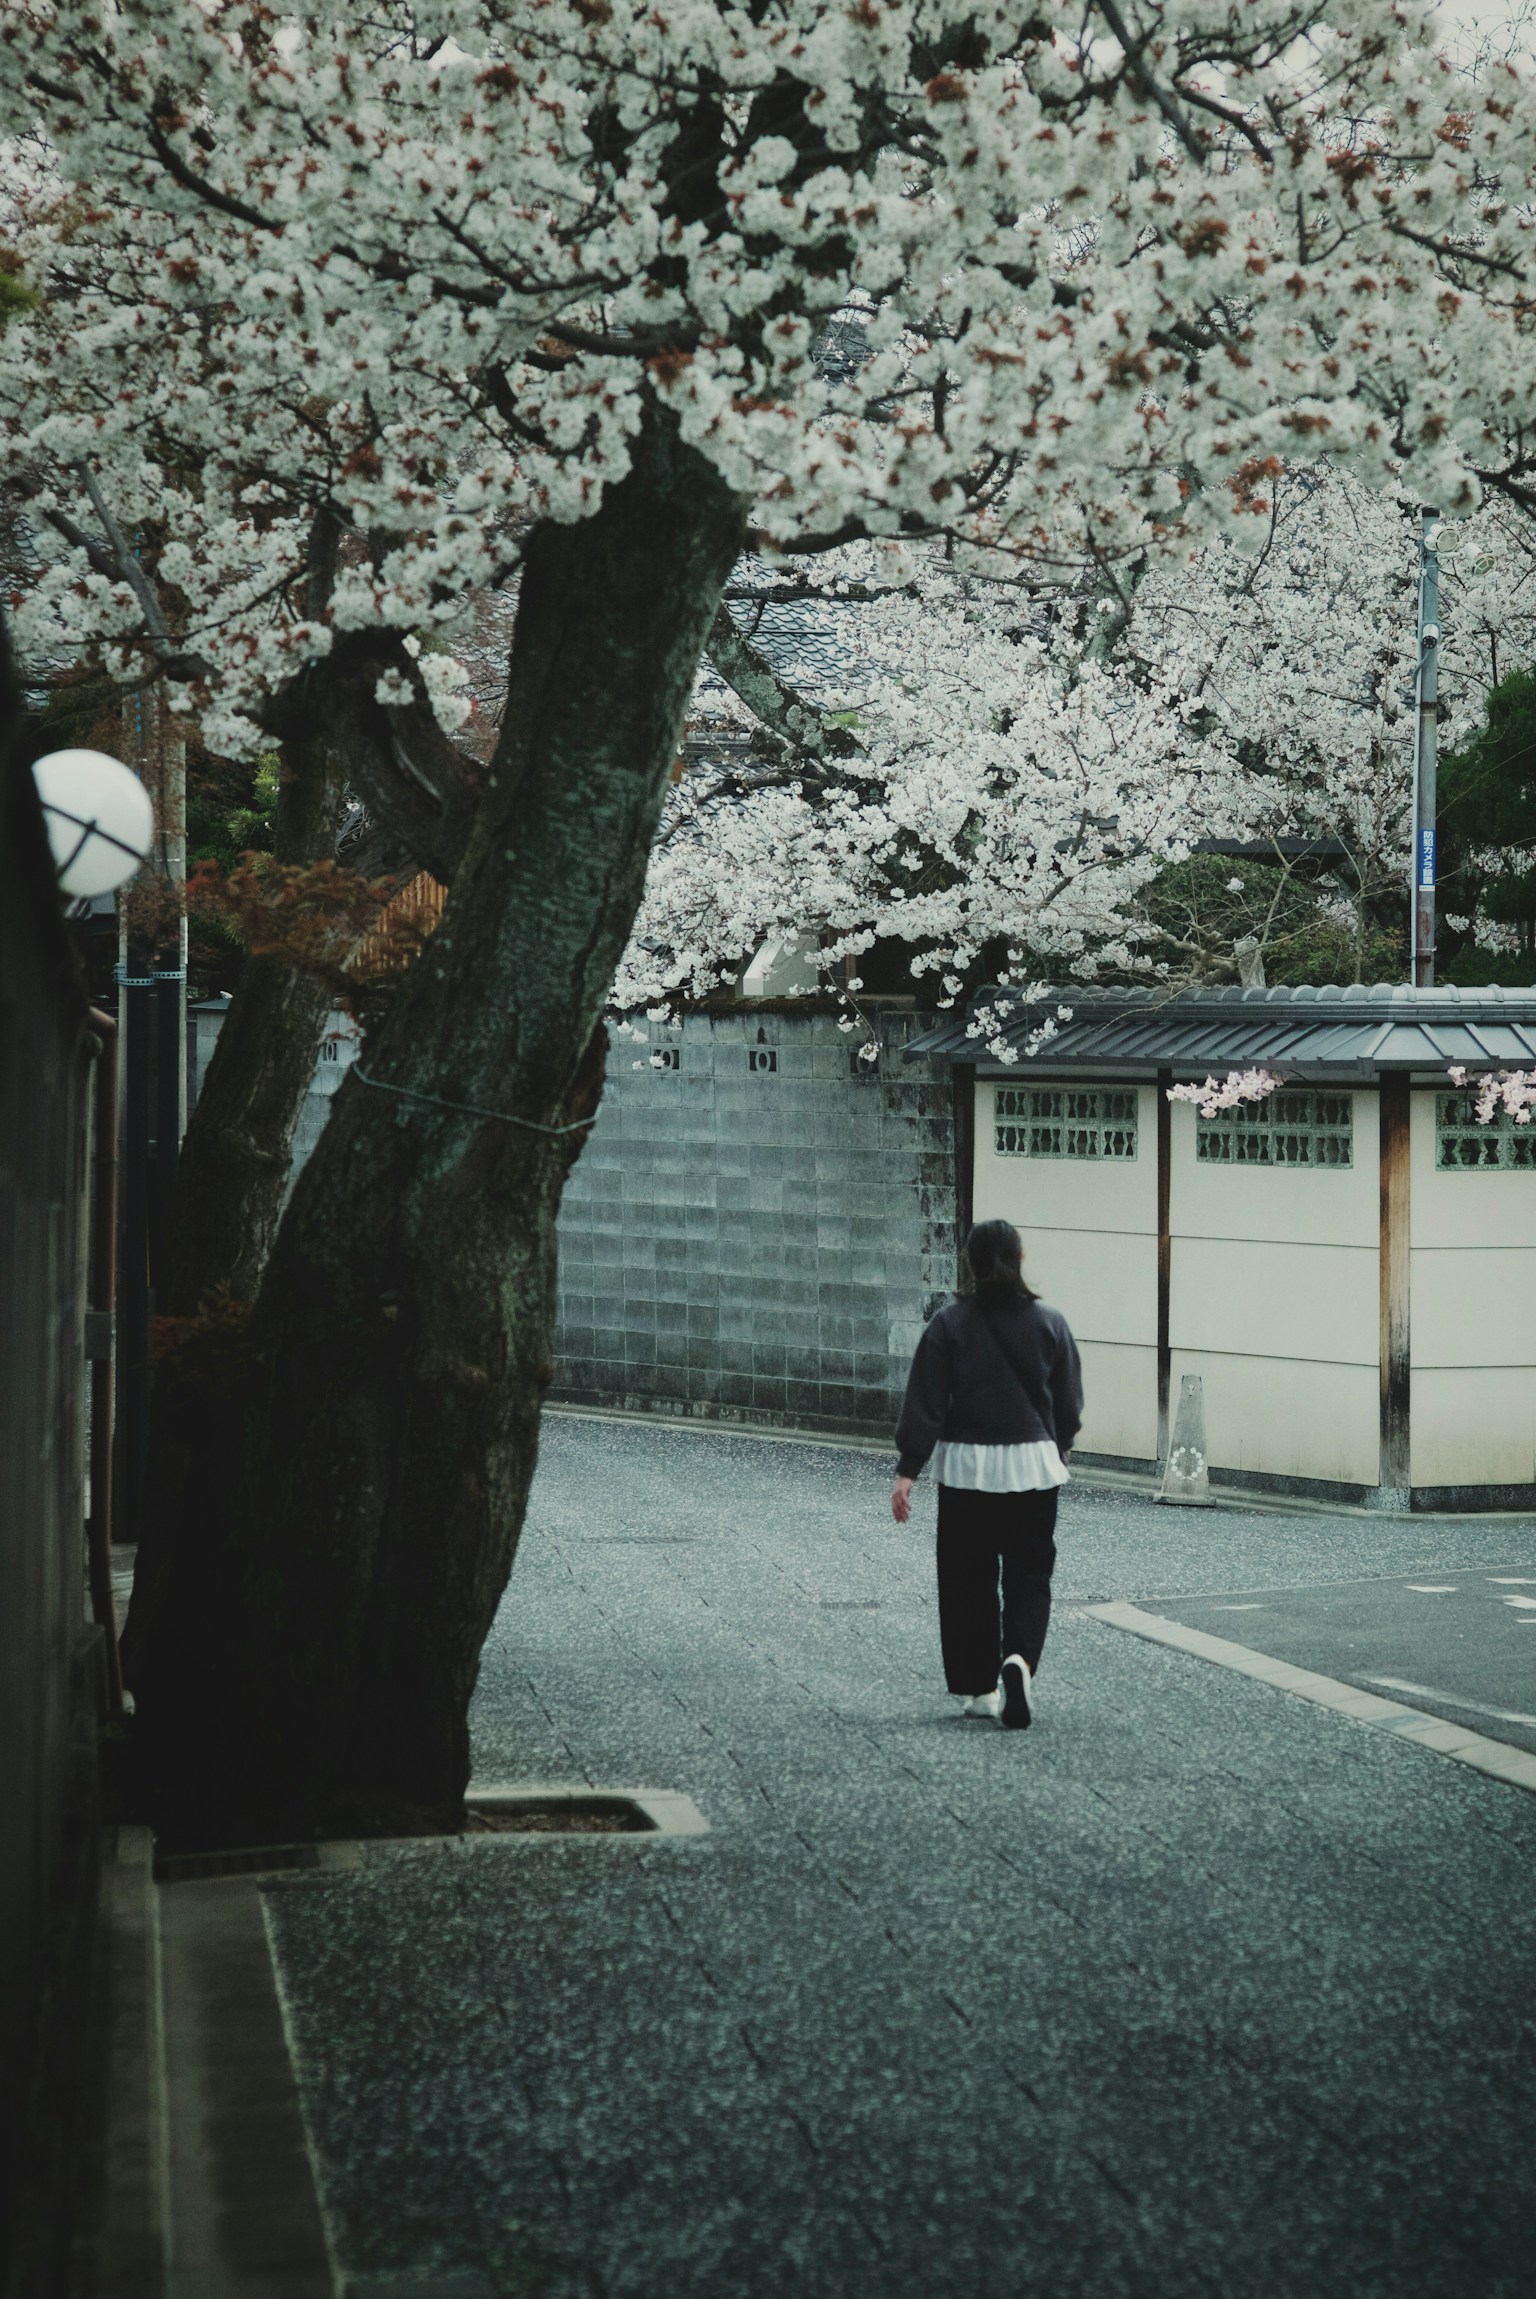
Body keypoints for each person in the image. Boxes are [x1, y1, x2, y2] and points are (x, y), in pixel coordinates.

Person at [892, 1219, 1084, 1730]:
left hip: (967, 1468)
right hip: (1033, 1466)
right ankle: (1018, 1660)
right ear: (1019, 1260)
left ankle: (980, 1690)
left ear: (971, 1265)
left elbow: (926, 1401)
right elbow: (1068, 1403)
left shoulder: (949, 1325)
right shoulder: (1050, 1323)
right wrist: (1061, 1445)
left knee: (966, 1578)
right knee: (1029, 1573)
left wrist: (907, 1470)